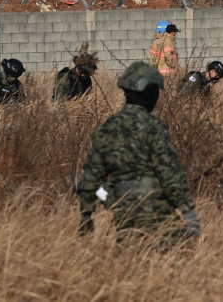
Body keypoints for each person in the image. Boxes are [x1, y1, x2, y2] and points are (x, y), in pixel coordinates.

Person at [77, 62, 200, 245]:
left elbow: (92, 175)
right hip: (158, 210)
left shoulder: (107, 129)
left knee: (130, 257)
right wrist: (188, 211)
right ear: (150, 94)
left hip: (123, 211)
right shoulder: (153, 128)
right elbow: (169, 172)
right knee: (175, 259)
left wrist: (86, 214)